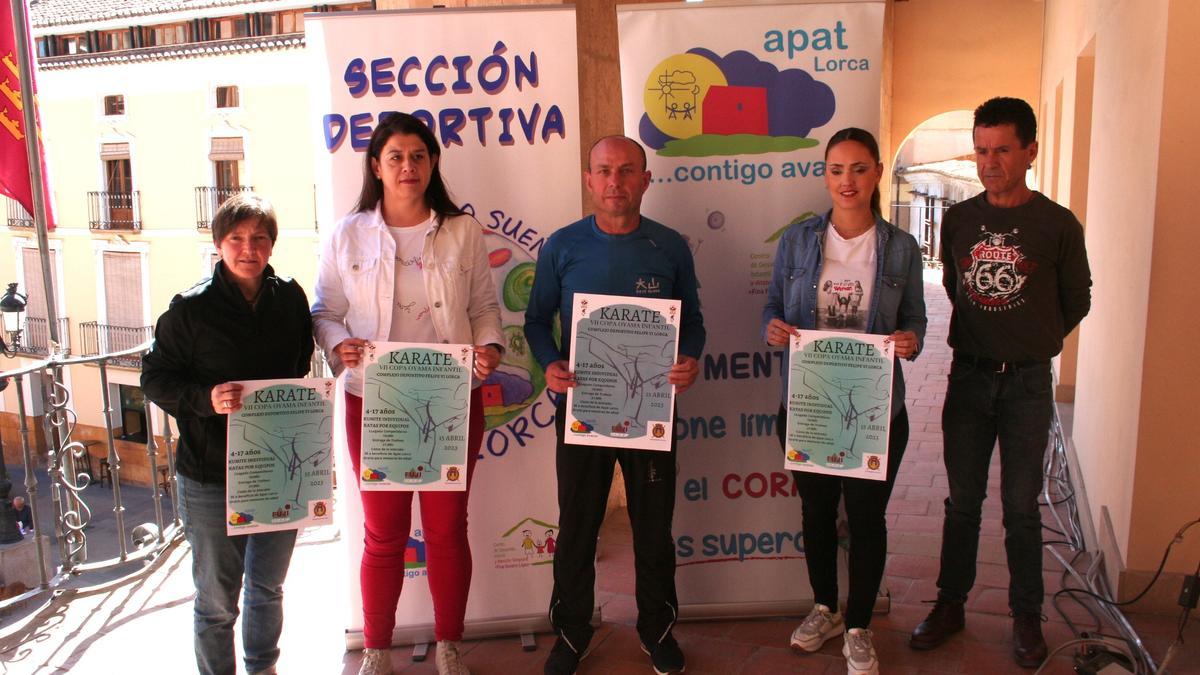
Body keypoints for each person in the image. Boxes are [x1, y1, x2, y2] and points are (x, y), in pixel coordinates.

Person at [311, 112, 503, 675]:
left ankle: (450, 642)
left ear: (433, 162)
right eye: (395, 156)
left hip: (449, 398)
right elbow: (325, 313)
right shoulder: (348, 234)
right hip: (372, 402)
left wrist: (489, 347)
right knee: (383, 533)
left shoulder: (462, 230)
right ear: (376, 165)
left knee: (446, 529)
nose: (407, 166)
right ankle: (377, 647)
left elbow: (484, 310)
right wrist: (340, 343)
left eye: (418, 155)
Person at [908, 97, 1091, 668]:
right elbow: (959, 290)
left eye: (1002, 150)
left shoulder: (1057, 224)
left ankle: (1026, 617)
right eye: (982, 150)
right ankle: (950, 604)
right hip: (968, 380)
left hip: (1029, 386)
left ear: (1030, 151)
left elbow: (1076, 300)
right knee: (962, 501)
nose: (990, 162)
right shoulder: (960, 220)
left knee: (1020, 506)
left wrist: (1030, 339)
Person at [524, 135, 706, 675]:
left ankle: (657, 628)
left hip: (652, 413)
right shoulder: (562, 245)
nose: (615, 182)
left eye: (627, 171)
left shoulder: (669, 247)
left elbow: (692, 321)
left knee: (653, 525)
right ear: (588, 179)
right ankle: (572, 632)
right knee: (578, 523)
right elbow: (536, 321)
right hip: (582, 409)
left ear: (646, 179)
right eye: (604, 171)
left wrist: (690, 359)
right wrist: (550, 363)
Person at [762, 127, 927, 675]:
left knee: (865, 517)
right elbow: (770, 308)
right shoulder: (798, 240)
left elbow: (916, 321)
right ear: (825, 175)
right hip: (809, 402)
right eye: (836, 169)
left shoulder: (901, 247)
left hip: (878, 407)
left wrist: (911, 341)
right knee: (814, 511)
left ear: (878, 172)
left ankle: (859, 625)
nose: (846, 181)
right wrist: (775, 329)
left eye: (858, 168)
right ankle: (824, 608)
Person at [141, 193, 314, 675]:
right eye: (236, 238)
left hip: (281, 469)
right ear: (219, 244)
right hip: (210, 477)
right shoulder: (190, 310)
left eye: (259, 237)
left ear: (272, 245)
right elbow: (154, 379)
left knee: (267, 587)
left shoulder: (291, 299)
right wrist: (207, 399)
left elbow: (300, 363)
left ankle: (263, 667)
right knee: (217, 601)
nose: (248, 248)